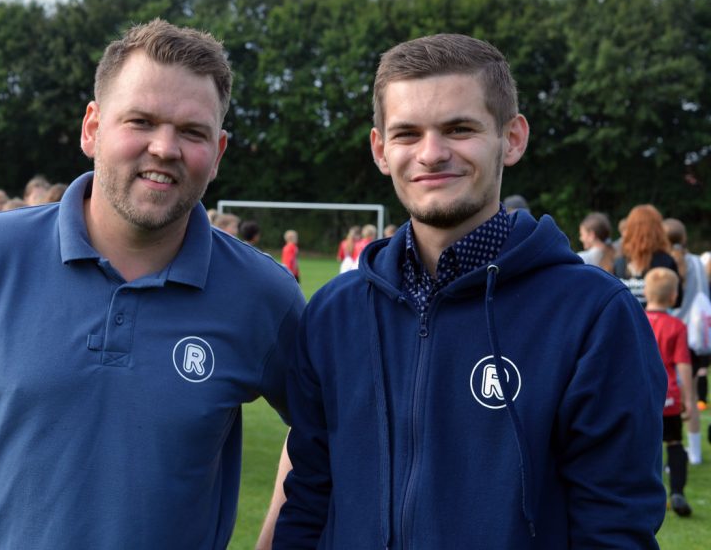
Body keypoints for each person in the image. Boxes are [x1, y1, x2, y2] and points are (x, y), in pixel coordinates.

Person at [0, 19, 304, 549]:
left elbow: (323, 426)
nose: (165, 148)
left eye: (192, 132)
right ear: (92, 128)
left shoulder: (262, 295)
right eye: (140, 121)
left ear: (218, 152)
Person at [271, 34, 666, 548]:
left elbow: (615, 527)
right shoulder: (335, 313)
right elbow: (309, 500)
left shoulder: (593, 314)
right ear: (380, 150)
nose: (431, 154)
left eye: (459, 129)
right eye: (407, 133)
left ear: (513, 138)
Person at [643, 268, 694, 517]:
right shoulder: (677, 326)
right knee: (674, 443)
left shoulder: (636, 319)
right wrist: (689, 400)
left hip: (642, 397)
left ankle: (648, 496)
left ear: (645, 292)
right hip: (670, 398)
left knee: (643, 446)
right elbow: (683, 364)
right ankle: (677, 492)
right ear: (674, 296)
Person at [663, 217, 710, 465]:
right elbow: (703, 296)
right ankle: (694, 453)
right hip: (693, 335)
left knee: (670, 399)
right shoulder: (695, 261)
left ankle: (676, 453)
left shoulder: (667, 262)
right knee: (689, 396)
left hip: (671, 334)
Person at [613, 204, 678, 308]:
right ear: (658, 229)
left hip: (627, 322)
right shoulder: (666, 262)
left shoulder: (619, 263)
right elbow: (677, 300)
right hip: (657, 323)